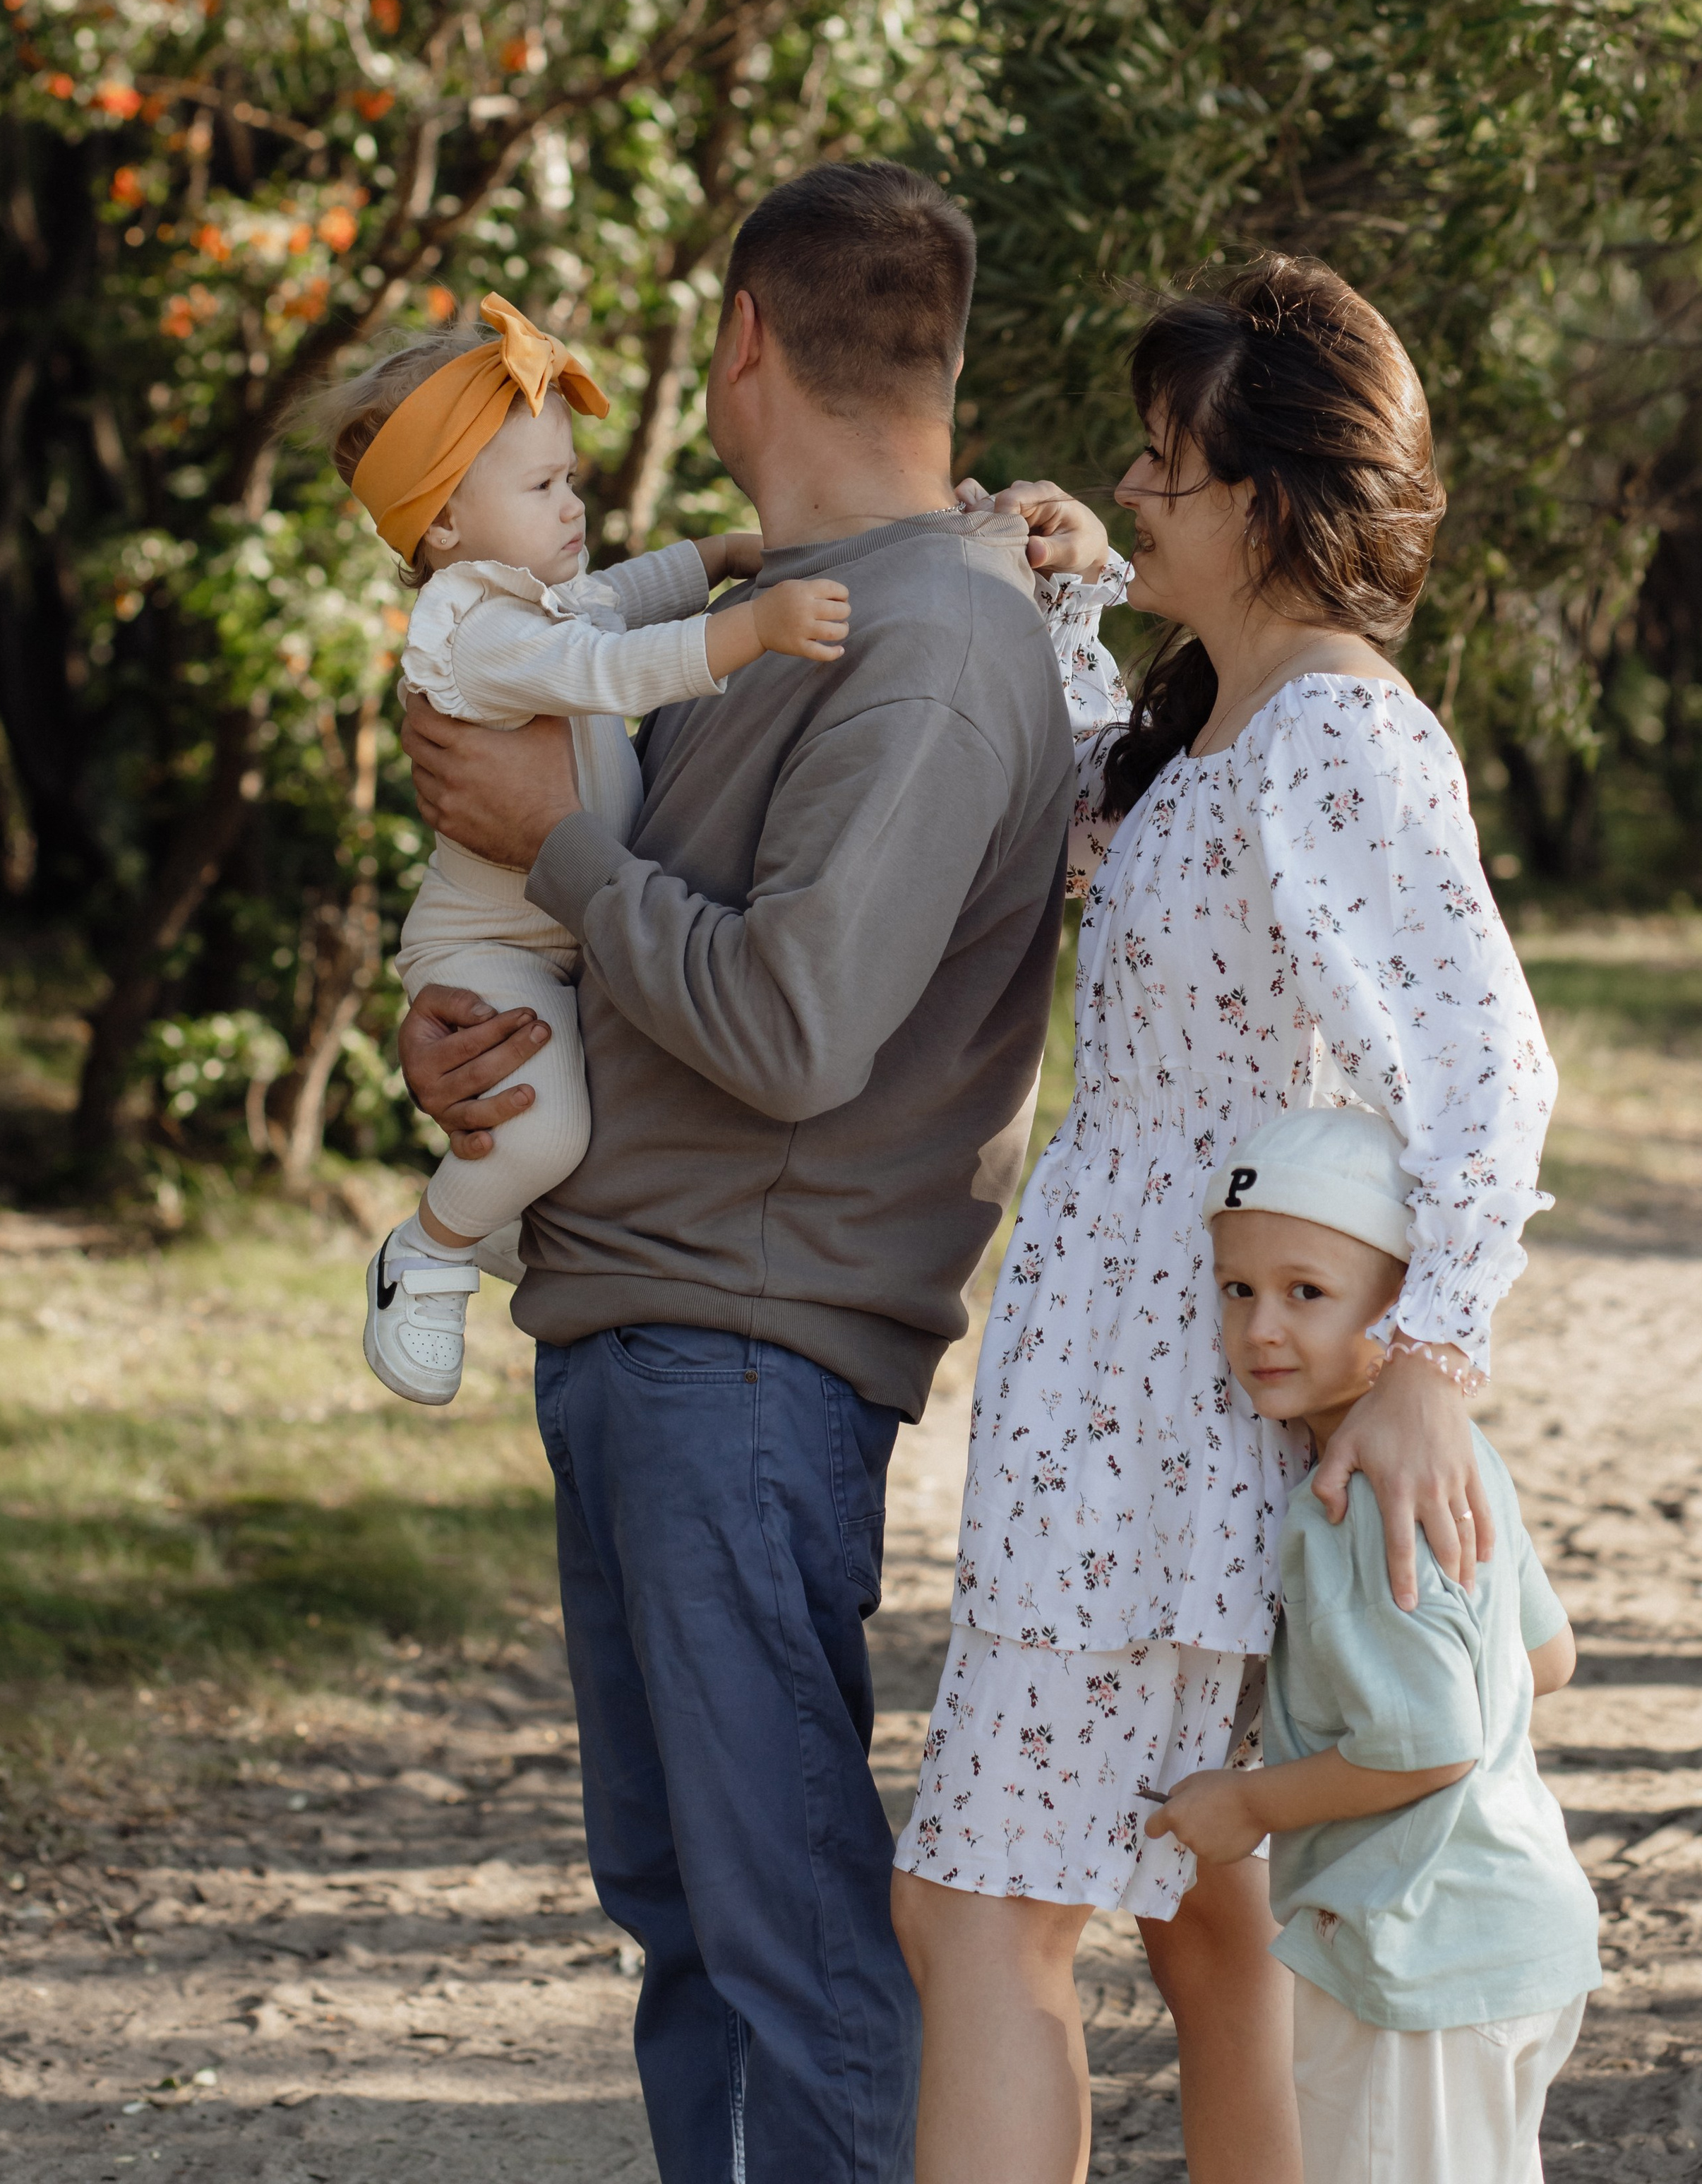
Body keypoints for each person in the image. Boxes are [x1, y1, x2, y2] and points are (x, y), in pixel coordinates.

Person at [391, 162, 1079, 2184]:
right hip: (645, 1332)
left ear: (745, 340)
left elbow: (790, 1025)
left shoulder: (937, 648)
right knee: (690, 1926)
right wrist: (481, 1033)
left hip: (748, 1361)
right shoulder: (762, 615)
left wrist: (559, 848)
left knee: (784, 1943)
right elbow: (648, 944)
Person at [892, 256, 1559, 2184]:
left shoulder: (1341, 735)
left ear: (1270, 495)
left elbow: (1489, 1066)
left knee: (980, 1913)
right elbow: (1105, 829)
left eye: (1165, 462)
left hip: (1163, 1416)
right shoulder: (1238, 732)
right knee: (1207, 1915)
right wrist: (1071, 586)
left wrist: (1434, 1361)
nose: (1139, 484)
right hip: (1145, 1387)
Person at [313, 290, 848, 1407]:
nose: (573, 506)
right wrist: (753, 625)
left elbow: (610, 599)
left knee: (575, 1114)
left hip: (554, 934)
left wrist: (713, 553)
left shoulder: (529, 599)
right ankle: (430, 1252)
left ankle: (505, 1207)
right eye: (545, 487)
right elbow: (611, 666)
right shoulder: (486, 632)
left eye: (572, 481)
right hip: (494, 949)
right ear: (446, 526)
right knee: (544, 1124)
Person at [1144, 1100, 1598, 2184]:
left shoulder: (1349, 1502)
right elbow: (1546, 1658)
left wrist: (1246, 1804)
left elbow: (1428, 1742)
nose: (1261, 1327)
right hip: (1516, 1928)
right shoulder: (1456, 1461)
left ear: (1403, 1307)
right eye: (1238, 1290)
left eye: (1308, 1293)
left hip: (1421, 1957)